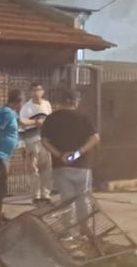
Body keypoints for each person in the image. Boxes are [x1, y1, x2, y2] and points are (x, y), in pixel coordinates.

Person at [41, 88, 101, 224]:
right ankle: (85, 229)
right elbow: (95, 138)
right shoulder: (84, 118)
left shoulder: (51, 118)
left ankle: (68, 230)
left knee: (67, 199)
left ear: (61, 102)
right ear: (75, 102)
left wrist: (60, 155)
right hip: (82, 165)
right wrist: (77, 153)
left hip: (60, 165)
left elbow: (44, 141)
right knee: (83, 197)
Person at [19, 83, 54, 204]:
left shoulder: (47, 105)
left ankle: (46, 194)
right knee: (33, 169)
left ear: (43, 91)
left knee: (47, 168)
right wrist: (22, 145)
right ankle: (36, 195)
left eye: (39, 90)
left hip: (46, 141)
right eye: (33, 90)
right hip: (31, 141)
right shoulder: (26, 107)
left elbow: (50, 121)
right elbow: (21, 125)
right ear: (30, 92)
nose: (36, 92)